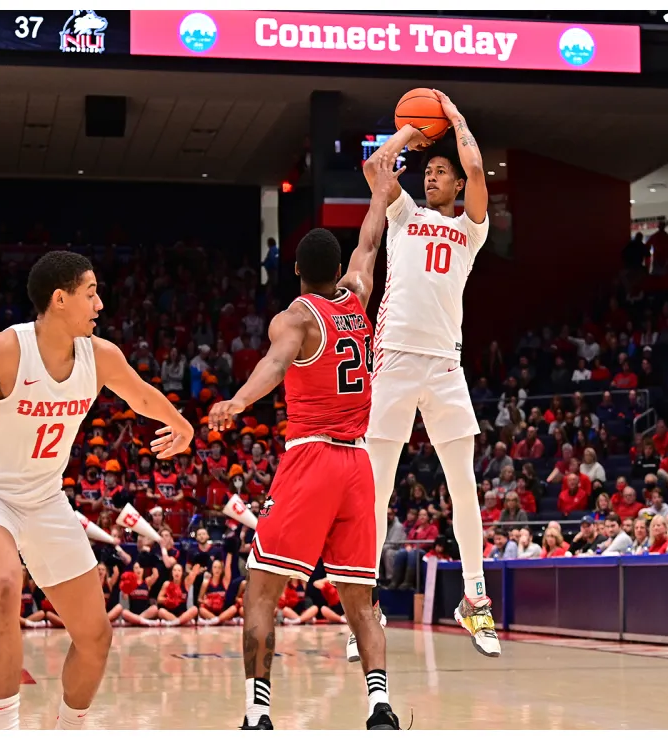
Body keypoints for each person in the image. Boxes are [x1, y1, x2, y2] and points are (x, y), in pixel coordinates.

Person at [0, 251, 195, 729]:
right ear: (60, 299)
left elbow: (140, 395)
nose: (100, 302)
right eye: (91, 292)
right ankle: (5, 730)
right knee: (6, 583)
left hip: (47, 500)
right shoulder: (5, 349)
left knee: (96, 636)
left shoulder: (100, 357)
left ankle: (66, 731)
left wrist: (181, 424)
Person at [207, 151, 400, 730]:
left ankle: (258, 715)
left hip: (312, 455)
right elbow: (369, 242)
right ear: (338, 267)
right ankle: (379, 707)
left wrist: (237, 402)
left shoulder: (297, 316)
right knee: (360, 602)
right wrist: (378, 197)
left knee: (261, 591)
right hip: (358, 465)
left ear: (295, 271)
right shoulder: (357, 295)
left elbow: (272, 364)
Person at [358, 90, 500, 659]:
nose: (433, 177)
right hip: (392, 355)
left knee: (464, 488)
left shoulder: (471, 229)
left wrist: (457, 118)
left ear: (458, 185)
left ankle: (474, 601)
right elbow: (374, 167)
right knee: (375, 490)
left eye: (441, 171)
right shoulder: (404, 214)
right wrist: (410, 135)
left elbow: (475, 166)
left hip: (444, 365)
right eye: (429, 171)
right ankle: (364, 611)